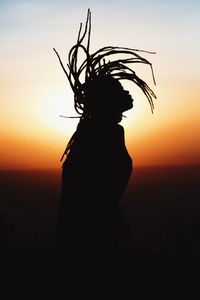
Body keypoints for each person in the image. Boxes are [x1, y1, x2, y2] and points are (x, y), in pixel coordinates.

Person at [54, 9, 156, 276]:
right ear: (106, 104)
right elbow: (90, 190)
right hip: (90, 235)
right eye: (118, 94)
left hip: (92, 231)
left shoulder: (101, 132)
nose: (127, 96)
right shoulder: (100, 135)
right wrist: (111, 218)